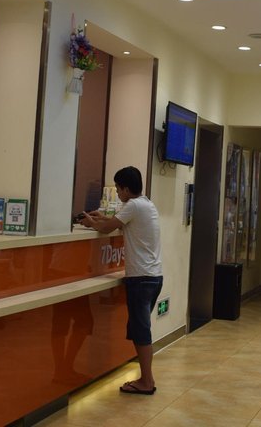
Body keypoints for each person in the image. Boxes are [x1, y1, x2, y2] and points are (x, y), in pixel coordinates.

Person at [80, 166, 163, 395]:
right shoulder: (146, 204)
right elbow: (118, 222)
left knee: (141, 332)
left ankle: (147, 381)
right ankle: (146, 378)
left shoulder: (132, 205)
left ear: (126, 189)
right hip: (153, 277)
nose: (117, 193)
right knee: (139, 329)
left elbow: (107, 229)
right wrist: (102, 218)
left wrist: (91, 222)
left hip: (141, 279)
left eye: (118, 188)